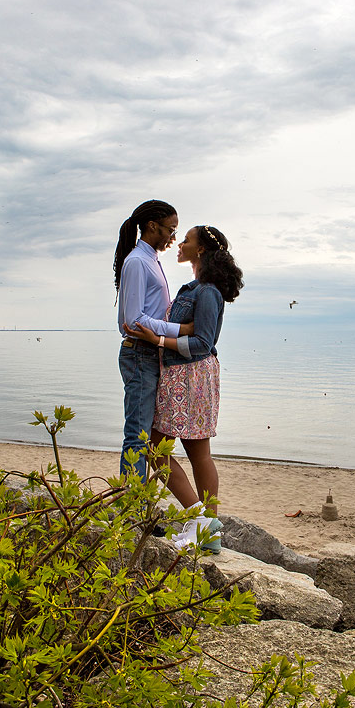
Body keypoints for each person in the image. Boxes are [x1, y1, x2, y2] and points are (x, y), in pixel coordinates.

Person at [125, 225, 243, 553]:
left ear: (201, 249)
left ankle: (202, 523)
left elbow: (204, 342)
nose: (179, 243)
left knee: (159, 450)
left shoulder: (206, 291)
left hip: (189, 376)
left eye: (187, 239)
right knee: (192, 453)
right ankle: (208, 531)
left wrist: (157, 339)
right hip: (186, 376)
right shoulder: (196, 287)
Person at [113, 200, 191, 479]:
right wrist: (179, 329)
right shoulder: (137, 262)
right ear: (152, 226)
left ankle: (138, 503)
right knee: (137, 435)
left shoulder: (150, 260)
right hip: (139, 354)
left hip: (149, 353)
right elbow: (133, 319)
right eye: (170, 230)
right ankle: (131, 507)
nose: (174, 237)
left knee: (147, 436)